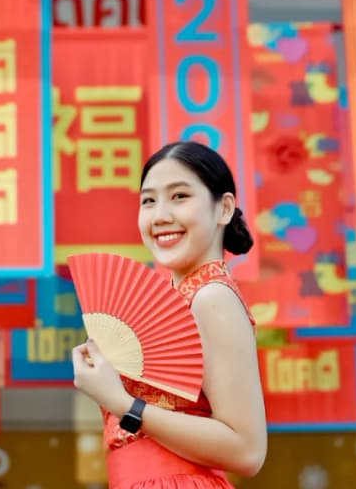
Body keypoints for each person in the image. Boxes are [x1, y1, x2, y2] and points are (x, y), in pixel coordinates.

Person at [70, 141, 267, 488]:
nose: (160, 214)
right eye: (148, 200)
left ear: (223, 208)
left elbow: (247, 451)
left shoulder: (211, 297)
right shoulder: (183, 299)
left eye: (179, 196)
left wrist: (120, 401)